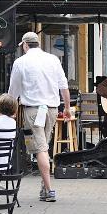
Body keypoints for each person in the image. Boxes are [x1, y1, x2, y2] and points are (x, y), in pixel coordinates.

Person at [8, 31, 71, 202]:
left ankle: (50, 190)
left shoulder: (20, 62)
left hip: (33, 109)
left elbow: (13, 90)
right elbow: (63, 85)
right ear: (38, 43)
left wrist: (11, 111)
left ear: (25, 45)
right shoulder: (53, 59)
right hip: (51, 109)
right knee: (44, 145)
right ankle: (44, 187)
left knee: (41, 148)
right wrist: (67, 107)